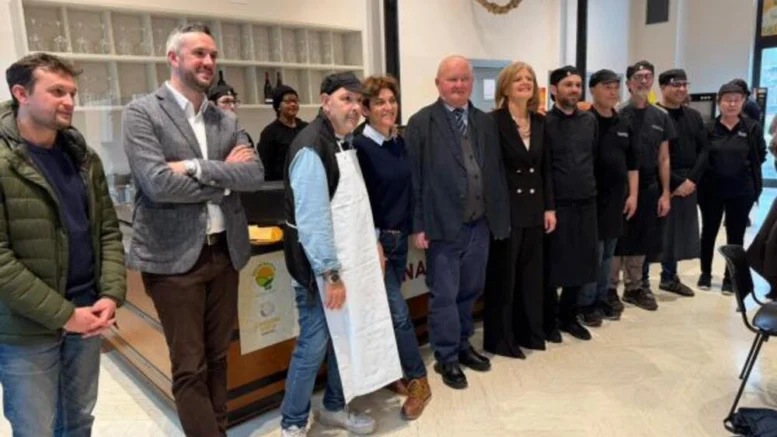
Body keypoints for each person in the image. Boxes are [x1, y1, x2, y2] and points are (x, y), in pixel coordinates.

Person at [122, 23, 264, 437]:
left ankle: (217, 429)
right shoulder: (142, 113)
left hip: (224, 253)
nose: (208, 62)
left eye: (213, 55)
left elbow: (254, 174)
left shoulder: (225, 119)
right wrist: (224, 180)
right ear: (174, 58)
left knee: (219, 356)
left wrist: (193, 167)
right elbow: (157, 183)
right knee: (190, 366)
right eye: (199, 53)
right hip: (173, 260)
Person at [0, 53, 126, 437]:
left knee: (78, 421)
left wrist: (111, 294)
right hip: (26, 328)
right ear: (21, 93)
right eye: (57, 92)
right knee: (35, 428)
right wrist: (64, 315)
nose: (69, 101)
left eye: (72, 92)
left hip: (87, 312)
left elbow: (107, 231)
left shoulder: (83, 157)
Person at [281, 71, 402, 437]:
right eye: (345, 99)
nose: (354, 108)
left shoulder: (343, 141)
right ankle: (292, 422)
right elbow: (313, 221)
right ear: (325, 101)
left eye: (357, 101)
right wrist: (330, 275)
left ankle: (334, 406)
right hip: (320, 271)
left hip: (350, 263)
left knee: (345, 337)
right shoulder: (310, 148)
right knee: (314, 344)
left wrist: (372, 243)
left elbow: (354, 207)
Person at [405, 55, 509, 389]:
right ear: (438, 83)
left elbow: (494, 171)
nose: (459, 85)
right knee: (445, 296)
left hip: (479, 225)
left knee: (470, 291)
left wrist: (498, 218)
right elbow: (414, 179)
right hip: (442, 226)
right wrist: (418, 225)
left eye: (464, 79)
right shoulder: (421, 122)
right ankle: (446, 356)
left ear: (472, 82)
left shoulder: (484, 121)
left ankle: (463, 344)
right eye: (452, 79)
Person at [352, 75, 431, 420]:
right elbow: (359, 201)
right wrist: (373, 242)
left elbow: (410, 189)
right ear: (365, 109)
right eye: (379, 102)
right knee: (398, 314)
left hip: (399, 241)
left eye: (392, 100)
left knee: (386, 313)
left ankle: (391, 371)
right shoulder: (358, 147)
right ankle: (419, 380)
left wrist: (416, 227)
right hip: (377, 243)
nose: (388, 107)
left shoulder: (398, 141)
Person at [483, 61, 555, 357]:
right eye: (518, 79)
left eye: (529, 79)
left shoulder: (540, 122)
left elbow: (546, 168)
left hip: (535, 209)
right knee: (504, 277)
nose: (525, 83)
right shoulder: (492, 121)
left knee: (530, 276)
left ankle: (529, 332)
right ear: (505, 87)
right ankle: (501, 338)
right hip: (507, 210)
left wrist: (549, 208)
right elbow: (490, 170)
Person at [611, 60, 674, 312]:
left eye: (648, 76)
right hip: (620, 187)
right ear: (628, 83)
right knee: (617, 239)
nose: (643, 81)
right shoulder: (617, 114)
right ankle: (610, 288)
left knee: (641, 239)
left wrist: (666, 193)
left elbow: (664, 158)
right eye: (638, 77)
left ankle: (635, 288)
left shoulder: (660, 116)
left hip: (649, 186)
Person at [542, 66, 599, 341]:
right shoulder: (543, 123)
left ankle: (569, 315)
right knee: (554, 265)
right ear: (554, 90)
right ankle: (549, 319)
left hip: (586, 202)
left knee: (581, 263)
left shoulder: (589, 121)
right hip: (557, 206)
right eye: (568, 85)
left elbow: (594, 158)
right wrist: (548, 206)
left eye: (577, 84)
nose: (574, 89)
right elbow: (544, 168)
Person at [578, 69, 638, 327]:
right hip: (590, 199)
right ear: (593, 90)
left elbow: (632, 163)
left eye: (615, 87)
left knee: (608, 254)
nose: (613, 92)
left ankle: (601, 298)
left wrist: (633, 194)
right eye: (607, 87)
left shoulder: (623, 122)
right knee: (593, 253)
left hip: (616, 200)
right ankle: (585, 303)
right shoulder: (584, 120)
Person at [641, 69, 708, 297]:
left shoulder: (694, 116)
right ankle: (642, 283)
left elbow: (704, 150)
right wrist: (675, 183)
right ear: (662, 87)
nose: (681, 89)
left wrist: (691, 180)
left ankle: (669, 278)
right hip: (660, 182)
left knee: (678, 235)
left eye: (684, 84)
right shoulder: (653, 115)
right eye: (675, 85)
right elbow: (652, 155)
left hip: (689, 182)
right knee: (653, 234)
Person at [698, 81, 766, 294]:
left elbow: (760, 155)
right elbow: (701, 157)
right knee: (708, 232)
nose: (732, 104)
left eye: (737, 100)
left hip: (741, 191)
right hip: (711, 191)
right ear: (719, 102)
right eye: (728, 100)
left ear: (743, 102)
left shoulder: (752, 127)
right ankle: (705, 273)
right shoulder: (709, 128)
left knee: (735, 236)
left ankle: (730, 278)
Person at [257, 84, 307, 181]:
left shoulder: (306, 128)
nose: (293, 104)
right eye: (288, 102)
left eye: (295, 101)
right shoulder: (269, 133)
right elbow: (266, 166)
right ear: (278, 106)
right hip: (281, 183)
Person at [207, 69, 254, 147]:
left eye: (234, 102)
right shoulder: (206, 136)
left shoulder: (243, 135)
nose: (232, 106)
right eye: (226, 101)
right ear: (213, 105)